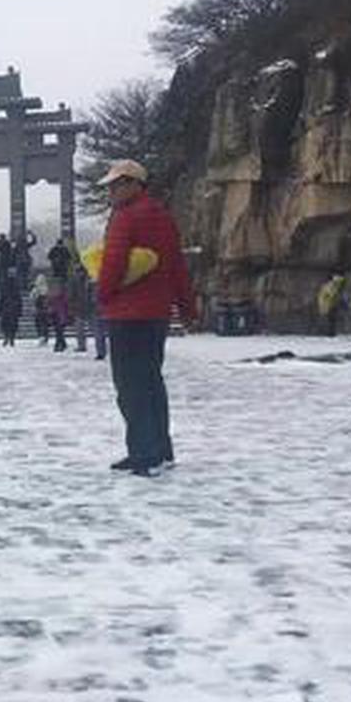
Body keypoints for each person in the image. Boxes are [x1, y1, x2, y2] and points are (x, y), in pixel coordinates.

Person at [95, 158, 197, 477]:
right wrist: (187, 307)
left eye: (115, 185)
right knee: (152, 382)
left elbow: (113, 262)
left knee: (130, 386)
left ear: (133, 184)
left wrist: (103, 293)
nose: (110, 191)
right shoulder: (163, 217)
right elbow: (177, 266)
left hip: (127, 314)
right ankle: (161, 449)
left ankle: (143, 453)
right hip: (156, 314)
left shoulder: (126, 217)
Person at [317, 272, 347, 337]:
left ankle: (331, 332)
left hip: (331, 305)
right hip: (329, 305)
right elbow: (331, 294)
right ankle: (329, 332)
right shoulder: (329, 286)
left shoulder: (331, 285)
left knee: (332, 319)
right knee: (330, 319)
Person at [48, 273, 72, 352]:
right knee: (59, 330)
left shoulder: (53, 292)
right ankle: (61, 344)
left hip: (58, 313)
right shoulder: (61, 292)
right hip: (59, 313)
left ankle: (59, 344)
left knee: (58, 330)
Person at [0, 278, 22, 346]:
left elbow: (1, 300)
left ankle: (6, 338)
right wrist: (19, 310)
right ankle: (11, 338)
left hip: (6, 308)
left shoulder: (4, 290)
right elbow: (19, 300)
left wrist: (0, 310)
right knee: (13, 325)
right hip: (14, 309)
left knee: (5, 325)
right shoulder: (16, 290)